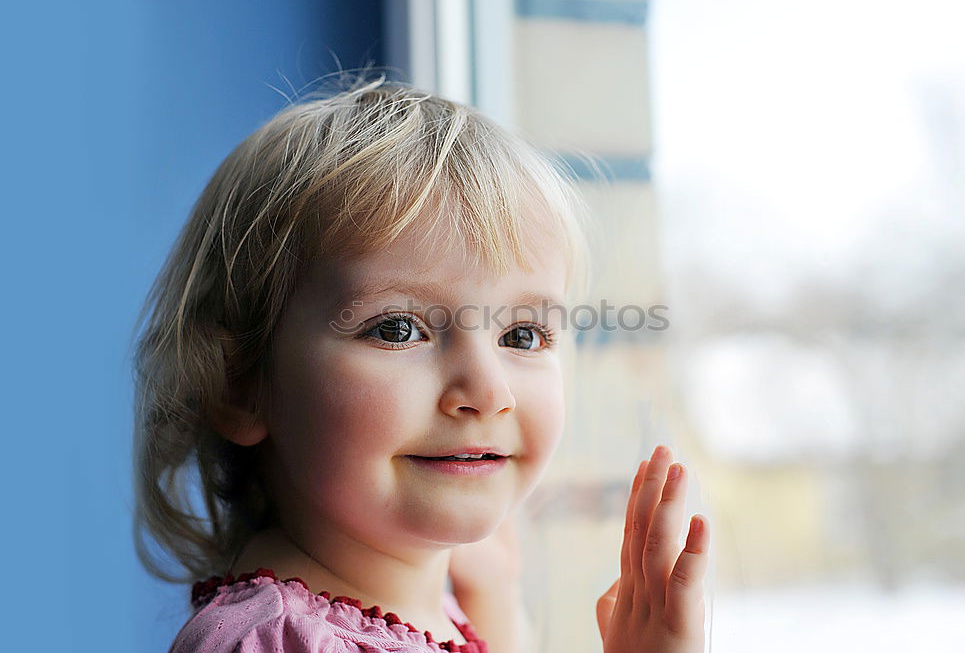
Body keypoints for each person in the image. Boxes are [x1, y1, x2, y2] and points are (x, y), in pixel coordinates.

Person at [131, 74, 711, 653]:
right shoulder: (276, 641)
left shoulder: (430, 606)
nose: (487, 391)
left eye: (524, 335)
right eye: (398, 328)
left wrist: (495, 598)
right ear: (239, 384)